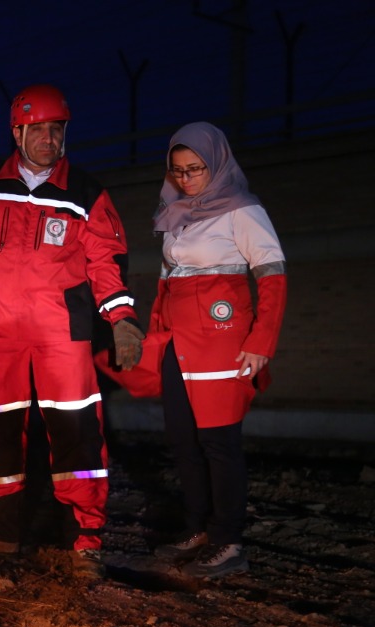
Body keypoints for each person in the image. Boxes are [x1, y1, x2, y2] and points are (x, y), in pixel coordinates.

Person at [0, 85, 144, 578]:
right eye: (38, 130)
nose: (48, 139)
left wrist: (121, 318)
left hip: (63, 334)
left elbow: (108, 261)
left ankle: (85, 539)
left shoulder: (86, 192)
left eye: (57, 129)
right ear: (18, 132)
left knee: (77, 434)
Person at [149, 122, 286, 578]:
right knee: (184, 442)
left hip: (222, 343)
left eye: (196, 170)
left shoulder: (243, 210)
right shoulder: (175, 212)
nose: (187, 180)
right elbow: (167, 282)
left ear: (218, 164)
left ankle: (228, 541)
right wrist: (153, 337)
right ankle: (198, 529)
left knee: (219, 444)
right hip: (177, 344)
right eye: (179, 171)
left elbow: (273, 278)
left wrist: (260, 341)